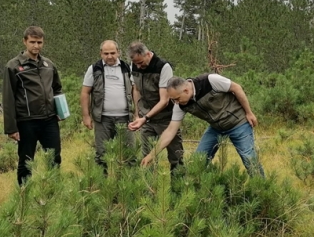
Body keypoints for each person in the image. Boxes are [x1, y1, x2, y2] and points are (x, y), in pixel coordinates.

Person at [141, 74, 265, 177]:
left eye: (177, 99)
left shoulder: (210, 81)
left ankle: (263, 193)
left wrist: (249, 113)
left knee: (250, 161)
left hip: (238, 123)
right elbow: (170, 131)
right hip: (216, 128)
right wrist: (152, 155)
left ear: (186, 90)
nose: (176, 103)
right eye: (173, 100)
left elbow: (236, 88)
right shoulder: (180, 105)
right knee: (197, 162)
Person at [3, 26, 63, 185]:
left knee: (54, 157)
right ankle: (24, 194)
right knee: (26, 160)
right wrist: (11, 127)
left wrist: (61, 111)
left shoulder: (48, 64)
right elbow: (8, 97)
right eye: (32, 42)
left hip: (49, 120)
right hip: (26, 121)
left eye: (39, 42)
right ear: (25, 42)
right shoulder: (14, 66)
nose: (36, 46)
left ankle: (54, 191)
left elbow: (57, 88)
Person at [127, 42, 183, 174]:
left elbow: (164, 100)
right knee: (147, 158)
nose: (138, 66)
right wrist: (137, 115)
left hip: (166, 119)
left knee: (176, 158)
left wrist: (145, 118)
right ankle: (149, 192)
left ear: (147, 54)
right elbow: (136, 89)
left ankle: (179, 190)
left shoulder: (163, 67)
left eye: (141, 62)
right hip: (146, 120)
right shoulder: (134, 64)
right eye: (136, 63)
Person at [80, 40, 135, 171]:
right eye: (106, 53)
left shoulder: (127, 68)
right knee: (102, 155)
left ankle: (128, 185)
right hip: (102, 119)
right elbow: (85, 92)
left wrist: (137, 114)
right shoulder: (94, 69)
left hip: (125, 119)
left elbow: (135, 92)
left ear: (118, 52)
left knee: (128, 155)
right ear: (101, 53)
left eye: (112, 53)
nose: (109, 56)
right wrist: (86, 116)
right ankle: (102, 186)